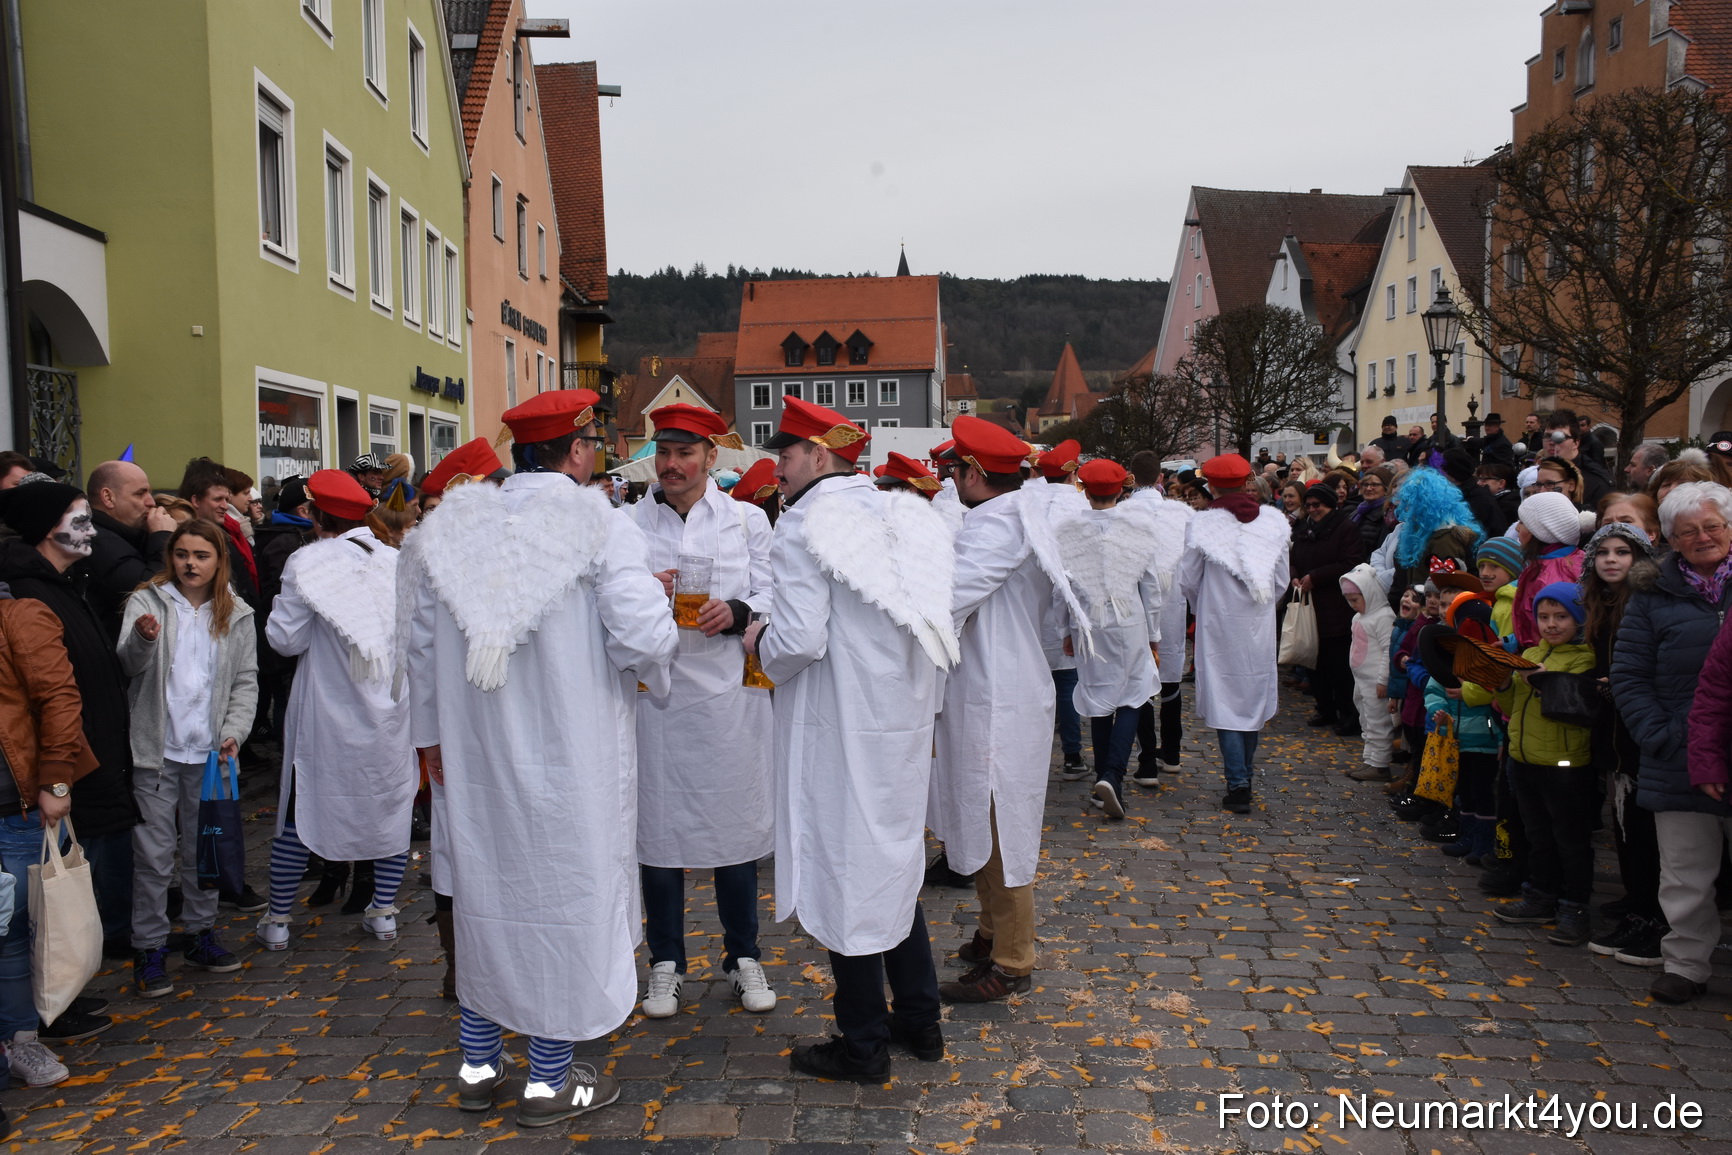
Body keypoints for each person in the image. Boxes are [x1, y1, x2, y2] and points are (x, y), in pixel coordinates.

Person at [402, 389, 676, 1123]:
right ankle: (550, 1081)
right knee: (563, 900)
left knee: (488, 899)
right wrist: (654, 660)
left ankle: (478, 1062)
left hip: (475, 752)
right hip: (571, 749)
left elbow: (420, 650)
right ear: (579, 450)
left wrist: (431, 742)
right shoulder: (599, 524)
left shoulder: (447, 532)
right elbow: (643, 634)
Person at [744, 395, 952, 1081]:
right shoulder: (898, 512)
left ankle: (862, 1041)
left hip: (839, 727)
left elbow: (799, 638)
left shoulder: (806, 522)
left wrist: (756, 641)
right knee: (892, 865)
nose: (777, 466)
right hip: (895, 721)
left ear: (822, 455)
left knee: (848, 875)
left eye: (787, 453)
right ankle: (919, 1021)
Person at [629, 404, 776, 1020]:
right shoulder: (629, 523)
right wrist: (643, 592)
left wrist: (739, 613)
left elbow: (774, 591)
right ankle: (666, 959)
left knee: (732, 826)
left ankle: (743, 953)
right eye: (663, 451)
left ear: (711, 457)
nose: (671, 464)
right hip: (657, 701)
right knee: (657, 830)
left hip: (727, 697)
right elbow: (605, 605)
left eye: (685, 453)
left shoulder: (746, 522)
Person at [930, 416, 1082, 1003]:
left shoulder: (998, 527)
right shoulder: (1010, 516)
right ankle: (993, 932)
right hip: (992, 686)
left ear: (973, 472)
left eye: (953, 470)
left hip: (1000, 692)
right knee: (979, 813)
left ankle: (1014, 957)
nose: (949, 481)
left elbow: (947, 597)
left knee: (999, 825)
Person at [258, 471, 414, 952]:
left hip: (328, 710)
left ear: (316, 514)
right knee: (389, 806)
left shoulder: (307, 562)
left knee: (301, 809)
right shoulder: (395, 559)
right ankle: (384, 910)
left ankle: (279, 918)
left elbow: (285, 639)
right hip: (391, 707)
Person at [0, 482, 134, 1032]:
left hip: (76, 763)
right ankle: (38, 1013)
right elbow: (55, 696)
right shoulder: (32, 596)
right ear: (45, 527)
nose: (92, 530)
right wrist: (56, 777)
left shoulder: (63, 585)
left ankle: (56, 998)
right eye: (80, 519)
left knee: (53, 897)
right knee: (32, 908)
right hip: (45, 776)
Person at [118, 519, 257, 996]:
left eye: (201, 555)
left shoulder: (236, 613)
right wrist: (144, 638)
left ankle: (201, 932)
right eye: (182, 554)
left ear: (219, 560)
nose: (190, 563)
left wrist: (234, 732)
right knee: (153, 857)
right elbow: (127, 663)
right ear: (170, 557)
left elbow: (245, 681)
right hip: (156, 752)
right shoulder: (148, 601)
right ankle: (150, 946)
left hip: (211, 756)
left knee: (206, 852)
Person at [1615, 482, 1732, 1004]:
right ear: (1671, 540)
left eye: (1713, 526)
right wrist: (1658, 735)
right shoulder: (1652, 593)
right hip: (1677, 749)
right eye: (1689, 531)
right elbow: (1630, 673)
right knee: (1685, 869)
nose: (1703, 537)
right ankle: (1686, 963)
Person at [0, 576, 94, 1090]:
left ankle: (22, 1040)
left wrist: (56, 777)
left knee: (13, 929)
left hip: (15, 802)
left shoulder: (20, 615)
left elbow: (60, 697)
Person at [1179, 454, 1290, 814]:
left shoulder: (1201, 526)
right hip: (1256, 623)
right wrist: (1258, 608)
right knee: (1250, 696)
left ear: (1210, 486)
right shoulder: (1273, 524)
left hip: (1218, 621)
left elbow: (1188, 580)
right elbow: (1279, 582)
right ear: (1247, 482)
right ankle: (1244, 776)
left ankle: (1238, 780)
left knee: (1227, 699)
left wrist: (1206, 606)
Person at [1579, 524, 1667, 964]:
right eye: (1603, 552)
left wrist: (1622, 686)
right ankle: (1638, 905)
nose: (1611, 560)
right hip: (1611, 735)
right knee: (1624, 827)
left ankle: (1652, 917)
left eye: (1623, 552)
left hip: (1641, 736)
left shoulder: (1647, 604)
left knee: (1645, 831)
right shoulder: (1598, 605)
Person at [1054, 459, 1160, 819]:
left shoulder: (1067, 530)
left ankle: (1104, 779)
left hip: (1088, 624)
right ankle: (1112, 776)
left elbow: (1061, 590)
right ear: (1121, 490)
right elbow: (1151, 584)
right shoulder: (1139, 527)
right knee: (1133, 694)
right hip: (1128, 621)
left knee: (1099, 697)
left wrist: (1065, 630)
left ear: (1083, 489)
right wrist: (1156, 634)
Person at [1491, 583, 1597, 944]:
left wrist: (1538, 681)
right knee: (1537, 836)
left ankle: (1575, 907)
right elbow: (1511, 711)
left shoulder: (1583, 658)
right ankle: (1540, 895)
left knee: (1569, 838)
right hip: (1524, 760)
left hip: (1563, 764)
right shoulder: (1532, 652)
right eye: (1544, 616)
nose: (1551, 624)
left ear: (1579, 618)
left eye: (1561, 616)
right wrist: (1504, 682)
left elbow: (1569, 708)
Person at [1125, 450, 1191, 785]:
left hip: (1136, 608)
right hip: (1172, 604)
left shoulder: (1122, 513)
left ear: (1131, 478)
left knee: (1140, 683)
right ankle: (1173, 752)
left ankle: (1147, 759)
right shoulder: (1181, 515)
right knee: (1170, 679)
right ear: (1161, 479)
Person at [1289, 482, 1365, 736]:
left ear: (1330, 505)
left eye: (1317, 505)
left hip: (1336, 605)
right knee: (1315, 662)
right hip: (1310, 606)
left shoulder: (1345, 529)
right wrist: (1295, 576)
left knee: (1338, 666)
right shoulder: (1303, 528)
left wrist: (1317, 576)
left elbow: (1351, 562)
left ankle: (1347, 713)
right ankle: (1325, 708)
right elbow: (1294, 558)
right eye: (1308, 505)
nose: (1312, 509)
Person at [1034, 441, 1089, 780]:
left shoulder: (1030, 506)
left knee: (1032, 684)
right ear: (1072, 472)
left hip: (1033, 609)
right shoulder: (1079, 509)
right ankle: (1072, 755)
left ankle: (1030, 757)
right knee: (1067, 684)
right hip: (1066, 606)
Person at [85, 460, 178, 639]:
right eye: (140, 493)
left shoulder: (126, 535)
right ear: (108, 497)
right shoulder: (98, 541)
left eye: (149, 492)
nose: (151, 502)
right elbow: (146, 596)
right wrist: (162, 537)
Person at [1339, 564, 1395, 781]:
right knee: (1366, 719)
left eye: (1355, 600)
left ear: (1370, 593)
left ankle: (1380, 764)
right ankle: (1370, 760)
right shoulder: (1359, 618)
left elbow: (1388, 652)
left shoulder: (1383, 617)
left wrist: (1383, 680)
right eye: (1349, 601)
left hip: (1375, 683)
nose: (1352, 605)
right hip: (1361, 680)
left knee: (1378, 722)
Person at [1512, 492, 1586, 647]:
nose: (1517, 528)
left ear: (1541, 530)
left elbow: (1551, 629)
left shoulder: (1552, 575)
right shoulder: (1569, 559)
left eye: (1522, 522)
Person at [1544, 413, 1613, 508]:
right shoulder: (1536, 473)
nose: (1552, 442)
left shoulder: (1597, 481)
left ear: (1576, 443)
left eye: (1560, 437)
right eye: (1548, 436)